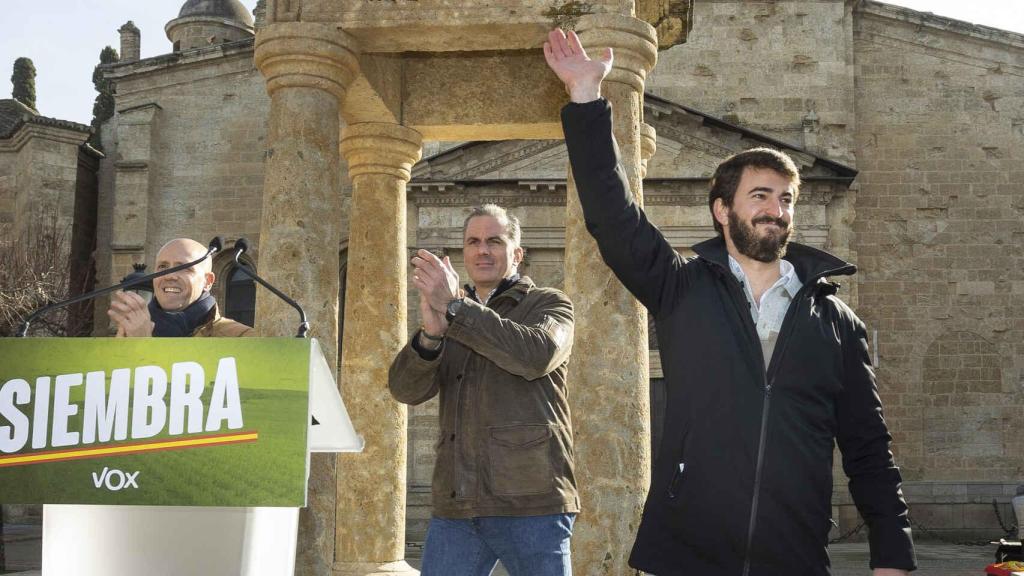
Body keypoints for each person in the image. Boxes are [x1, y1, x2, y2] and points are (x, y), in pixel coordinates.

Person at [543, 28, 915, 576]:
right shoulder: (681, 289)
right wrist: (585, 98)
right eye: (760, 196)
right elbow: (612, 218)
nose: (776, 209)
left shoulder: (837, 322)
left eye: (786, 199)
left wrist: (893, 552)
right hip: (688, 551)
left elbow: (868, 446)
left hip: (794, 554)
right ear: (723, 210)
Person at [388, 204, 577, 576]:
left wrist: (456, 308)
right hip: (457, 505)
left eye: (494, 240)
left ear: (517, 254)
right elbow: (405, 389)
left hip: (531, 503)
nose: (482, 250)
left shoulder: (550, 303)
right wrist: (430, 335)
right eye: (473, 242)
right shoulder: (453, 316)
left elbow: (537, 355)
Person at [107, 237, 252, 337]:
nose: (170, 275)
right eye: (163, 266)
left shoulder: (241, 338)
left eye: (185, 268)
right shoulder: (127, 334)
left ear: (207, 281)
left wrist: (143, 346)